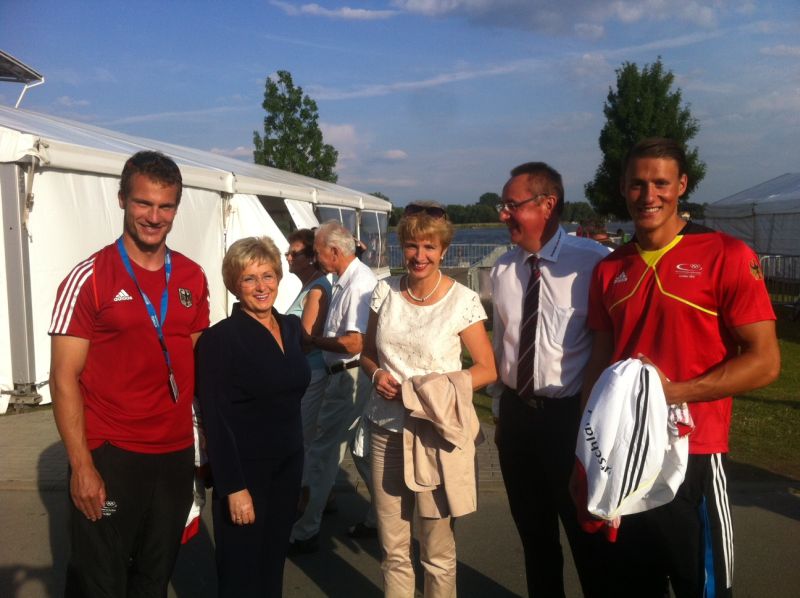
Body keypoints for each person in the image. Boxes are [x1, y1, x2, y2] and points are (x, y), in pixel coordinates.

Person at [580, 137, 780, 597]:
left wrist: (672, 393)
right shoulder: (610, 269)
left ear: (682, 185)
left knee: (701, 586)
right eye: (637, 184)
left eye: (661, 183)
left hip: (695, 453)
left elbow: (766, 362)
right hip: (625, 456)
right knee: (633, 586)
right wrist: (587, 449)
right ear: (622, 187)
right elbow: (599, 362)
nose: (648, 195)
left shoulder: (726, 254)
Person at [48, 150, 210, 597]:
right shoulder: (89, 277)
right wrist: (82, 466)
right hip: (111, 455)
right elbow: (62, 378)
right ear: (122, 200)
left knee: (153, 580)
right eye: (143, 203)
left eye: (165, 206)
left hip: (175, 457)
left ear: (176, 208)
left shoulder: (192, 276)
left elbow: (201, 365)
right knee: (100, 581)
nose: (154, 217)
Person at [360, 201, 496, 597]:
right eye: (412, 246)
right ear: (402, 247)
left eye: (429, 247)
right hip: (385, 430)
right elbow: (367, 353)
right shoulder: (384, 291)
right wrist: (376, 374)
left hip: (435, 434)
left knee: (437, 550)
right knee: (393, 548)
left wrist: (438, 388)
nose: (419, 256)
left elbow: (488, 368)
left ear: (443, 250)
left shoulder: (462, 300)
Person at [490, 162, 610, 597]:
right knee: (534, 536)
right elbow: (503, 344)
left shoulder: (593, 264)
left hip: (570, 420)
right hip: (518, 418)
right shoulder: (504, 270)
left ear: (547, 204)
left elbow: (610, 344)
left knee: (588, 537)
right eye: (503, 205)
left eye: (512, 205)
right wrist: (501, 410)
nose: (503, 214)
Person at [195, 236, 310, 596]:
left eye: (267, 275)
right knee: (240, 572)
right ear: (234, 284)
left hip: (288, 466)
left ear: (278, 277)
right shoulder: (219, 340)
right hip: (245, 473)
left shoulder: (291, 329)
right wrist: (233, 487)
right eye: (249, 278)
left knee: (272, 566)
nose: (261, 286)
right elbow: (216, 420)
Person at [290, 220, 378, 552]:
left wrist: (314, 341)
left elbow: (355, 342)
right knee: (360, 452)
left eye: (317, 252)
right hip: (346, 374)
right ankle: (383, 516)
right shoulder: (346, 280)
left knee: (322, 452)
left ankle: (305, 529)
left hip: (348, 374)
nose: (315, 258)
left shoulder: (357, 283)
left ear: (335, 251)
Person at [284, 229, 332, 512]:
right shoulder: (310, 287)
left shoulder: (316, 290)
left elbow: (306, 340)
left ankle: (304, 502)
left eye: (294, 253)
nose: (288, 257)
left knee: (302, 438)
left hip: (310, 373)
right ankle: (317, 495)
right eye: (288, 252)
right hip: (307, 372)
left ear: (312, 257)